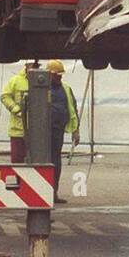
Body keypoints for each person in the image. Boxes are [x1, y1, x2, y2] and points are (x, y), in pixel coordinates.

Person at [44, 59, 79, 203]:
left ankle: (53, 193)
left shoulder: (66, 88)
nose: (60, 77)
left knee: (55, 162)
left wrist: (75, 131)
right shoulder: (41, 88)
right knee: (43, 162)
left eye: (60, 75)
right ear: (49, 75)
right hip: (42, 132)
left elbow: (73, 110)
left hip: (58, 130)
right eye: (57, 75)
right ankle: (43, 193)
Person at [0, 61, 39, 164]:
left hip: (37, 132)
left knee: (37, 162)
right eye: (31, 65)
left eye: (36, 65)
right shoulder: (15, 80)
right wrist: (16, 110)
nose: (34, 67)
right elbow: (5, 96)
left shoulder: (41, 80)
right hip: (18, 131)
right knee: (17, 161)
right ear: (26, 65)